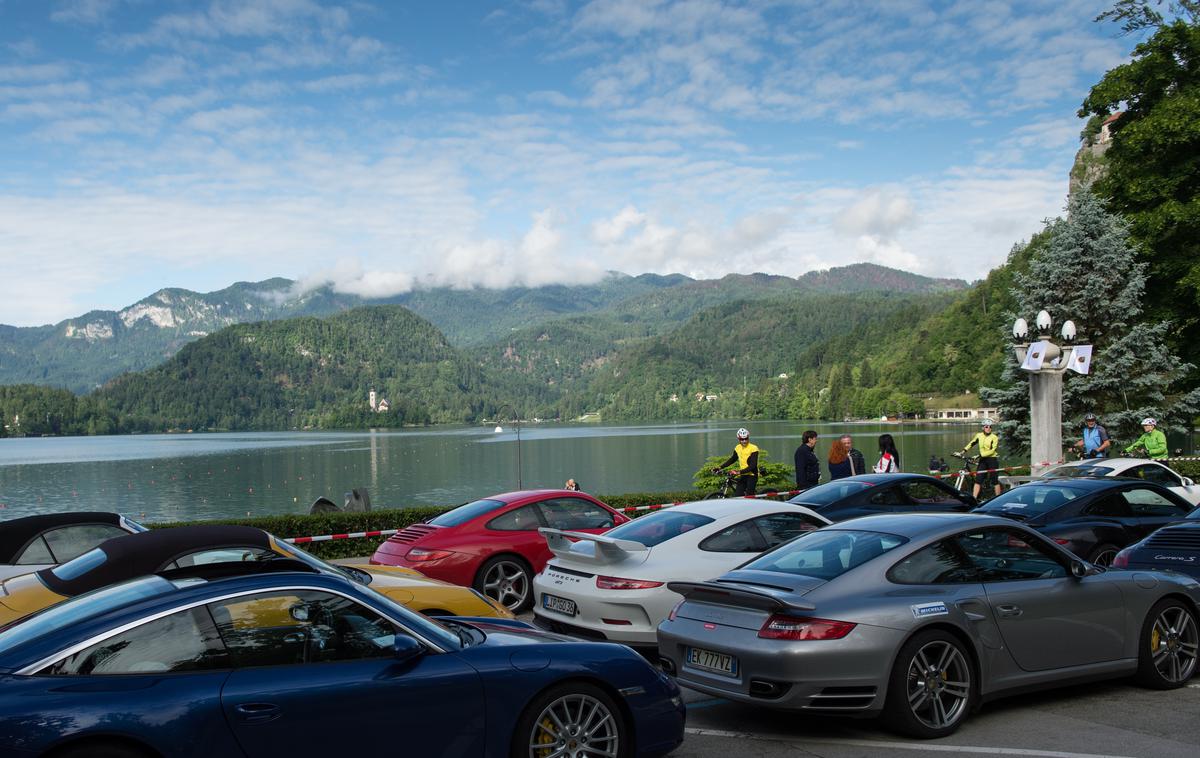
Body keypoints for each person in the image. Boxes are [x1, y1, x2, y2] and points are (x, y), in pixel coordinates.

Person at [960, 419, 1001, 499]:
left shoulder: (994, 437)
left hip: (992, 459)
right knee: (978, 480)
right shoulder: (979, 435)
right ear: (983, 428)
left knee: (994, 480)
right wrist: (962, 451)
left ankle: (998, 499)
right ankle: (974, 499)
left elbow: (993, 450)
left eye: (990, 427)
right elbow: (972, 443)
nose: (988, 428)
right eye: (986, 427)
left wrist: (979, 455)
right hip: (983, 460)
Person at [714, 428, 759, 496]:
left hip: (752, 475)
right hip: (743, 475)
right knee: (738, 496)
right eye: (742, 439)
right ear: (738, 439)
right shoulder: (737, 448)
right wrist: (720, 467)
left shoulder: (753, 448)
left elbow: (753, 466)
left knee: (750, 496)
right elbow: (732, 459)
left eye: (746, 438)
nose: (744, 441)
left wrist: (738, 472)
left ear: (748, 437)